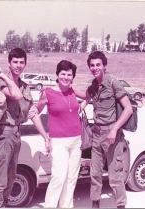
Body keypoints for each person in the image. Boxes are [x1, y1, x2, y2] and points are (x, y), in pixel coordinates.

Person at [79, 51, 133, 208]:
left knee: (115, 176)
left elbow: (128, 109)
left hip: (112, 136)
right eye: (92, 65)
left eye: (98, 65)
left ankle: (120, 205)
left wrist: (114, 129)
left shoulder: (113, 83)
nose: (95, 68)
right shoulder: (94, 85)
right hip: (96, 135)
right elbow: (85, 96)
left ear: (104, 66)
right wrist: (65, 89)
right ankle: (95, 204)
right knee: (94, 174)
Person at [28, 60, 82, 208]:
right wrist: (45, 138)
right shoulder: (47, 93)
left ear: (73, 76)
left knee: (71, 179)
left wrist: (82, 106)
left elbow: (88, 95)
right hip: (59, 142)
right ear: (57, 75)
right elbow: (34, 113)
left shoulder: (72, 91)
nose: (66, 77)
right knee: (58, 177)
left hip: (77, 140)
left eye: (69, 75)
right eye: (63, 74)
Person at [0, 48, 34, 207]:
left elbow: (29, 110)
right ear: (9, 63)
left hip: (16, 134)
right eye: (15, 62)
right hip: (3, 134)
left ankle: (4, 204)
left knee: (11, 177)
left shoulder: (25, 86)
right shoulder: (0, 81)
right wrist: (7, 78)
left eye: (22, 62)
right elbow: (16, 96)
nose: (19, 65)